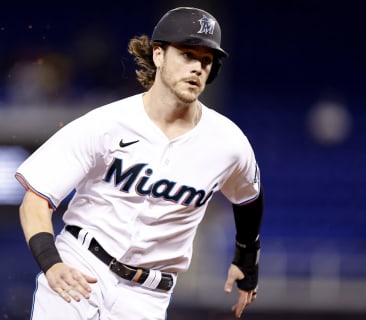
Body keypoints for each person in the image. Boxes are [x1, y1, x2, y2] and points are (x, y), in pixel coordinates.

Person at [15, 6, 264, 320]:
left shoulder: (228, 143)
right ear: (158, 55)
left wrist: (246, 260)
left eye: (206, 60)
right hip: (81, 264)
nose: (198, 67)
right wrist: (51, 263)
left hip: (148, 296)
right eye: (187, 55)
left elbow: (249, 199)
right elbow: (35, 200)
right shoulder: (107, 123)